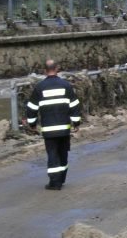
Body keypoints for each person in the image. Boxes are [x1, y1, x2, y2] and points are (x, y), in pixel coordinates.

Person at [25, 59, 81, 190]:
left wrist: (32, 124)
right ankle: (61, 179)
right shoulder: (66, 85)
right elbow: (74, 106)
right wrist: (76, 123)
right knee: (63, 154)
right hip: (64, 129)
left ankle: (55, 183)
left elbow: (31, 108)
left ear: (45, 71)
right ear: (57, 69)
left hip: (49, 130)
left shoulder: (39, 87)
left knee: (52, 154)